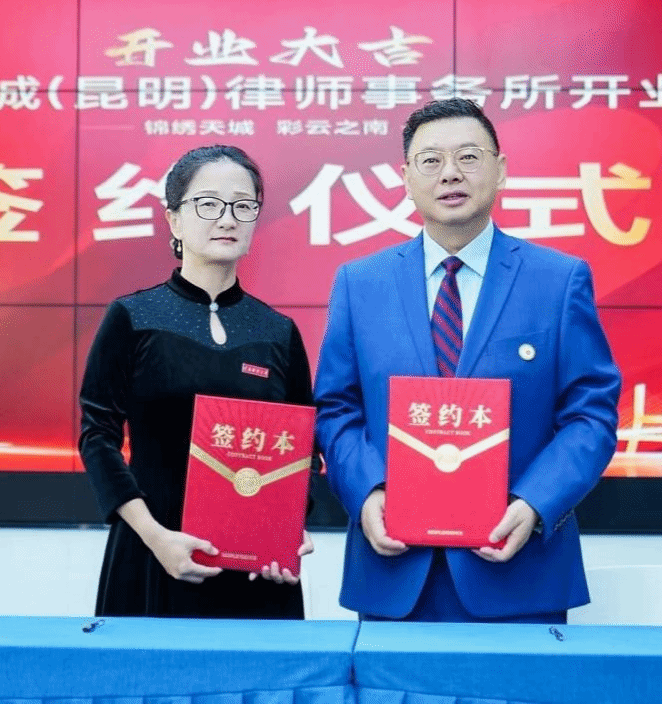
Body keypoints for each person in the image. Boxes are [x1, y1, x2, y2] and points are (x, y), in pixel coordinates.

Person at [314, 98, 621, 622]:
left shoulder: (558, 280)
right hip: (394, 572)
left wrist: (535, 503)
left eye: (468, 157)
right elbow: (336, 409)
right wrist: (366, 492)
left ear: (500, 170)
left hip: (518, 570)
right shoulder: (360, 284)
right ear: (406, 178)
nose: (450, 173)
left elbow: (591, 414)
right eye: (430, 160)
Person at [79, 145, 314, 619]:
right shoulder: (132, 317)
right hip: (154, 552)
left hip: (255, 569)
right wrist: (155, 537)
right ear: (174, 219)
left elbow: (302, 451)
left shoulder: (278, 332)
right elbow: (97, 438)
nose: (227, 219)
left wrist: (287, 528)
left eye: (243, 206)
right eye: (208, 204)